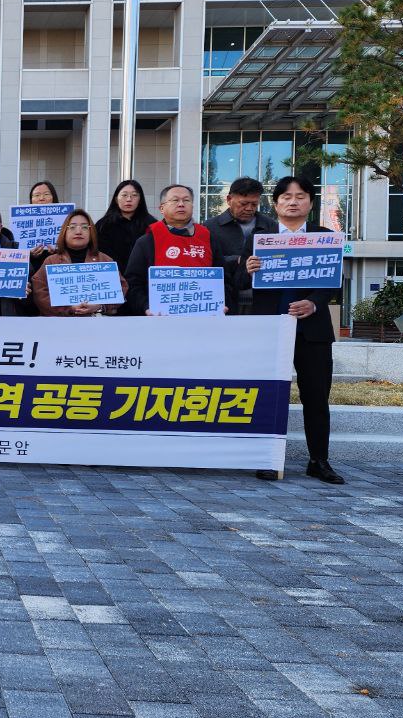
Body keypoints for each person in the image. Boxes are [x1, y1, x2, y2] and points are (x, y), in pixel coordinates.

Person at [240, 175, 343, 485]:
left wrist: (313, 302)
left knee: (315, 396)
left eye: (301, 196)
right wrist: (247, 270)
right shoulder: (261, 236)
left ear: (310, 204)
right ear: (276, 204)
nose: (293, 201)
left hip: (312, 329)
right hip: (271, 328)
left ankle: (319, 460)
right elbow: (239, 284)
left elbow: (332, 281)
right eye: (286, 196)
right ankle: (268, 460)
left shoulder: (325, 236)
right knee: (270, 396)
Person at [123, 183, 237, 316]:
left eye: (186, 200)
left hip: (204, 318)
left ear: (193, 206)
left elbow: (225, 280)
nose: (181, 204)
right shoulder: (147, 241)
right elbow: (133, 283)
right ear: (162, 208)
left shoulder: (208, 238)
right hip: (160, 319)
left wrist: (222, 304)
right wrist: (146, 307)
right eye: (175, 200)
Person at [31, 209, 127, 317]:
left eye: (85, 227)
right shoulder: (51, 261)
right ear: (64, 232)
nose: (78, 231)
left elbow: (121, 287)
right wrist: (68, 308)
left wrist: (100, 306)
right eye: (72, 227)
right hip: (59, 324)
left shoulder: (105, 260)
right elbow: (40, 292)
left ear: (91, 233)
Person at [204, 176, 276, 313]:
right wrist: (238, 260)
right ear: (229, 200)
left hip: (262, 297)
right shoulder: (210, 227)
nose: (249, 208)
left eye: (254, 204)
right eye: (243, 204)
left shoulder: (270, 225)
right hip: (226, 295)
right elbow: (206, 261)